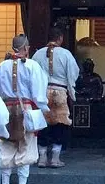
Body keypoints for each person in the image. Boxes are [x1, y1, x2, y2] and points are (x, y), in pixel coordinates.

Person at [0, 34, 48, 184]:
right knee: (26, 144)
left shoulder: (3, 65)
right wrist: (43, 108)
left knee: (7, 144)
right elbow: (38, 91)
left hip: (7, 108)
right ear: (25, 48)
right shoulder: (31, 65)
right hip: (26, 109)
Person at [32, 26, 79, 168]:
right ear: (60, 38)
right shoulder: (65, 54)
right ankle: (55, 159)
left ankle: (42, 157)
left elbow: (32, 75)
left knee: (43, 124)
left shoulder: (38, 55)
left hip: (43, 92)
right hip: (60, 92)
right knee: (60, 124)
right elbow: (73, 73)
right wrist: (72, 91)